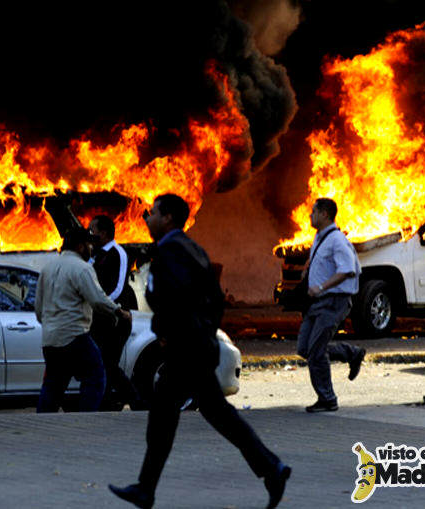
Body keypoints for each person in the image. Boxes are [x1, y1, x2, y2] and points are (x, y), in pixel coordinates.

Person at [109, 194, 290, 509]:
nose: (147, 218)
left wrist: (167, 333)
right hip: (197, 347)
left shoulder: (170, 250)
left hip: (184, 349)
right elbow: (216, 300)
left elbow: (169, 298)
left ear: (167, 218)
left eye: (151, 213)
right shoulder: (194, 249)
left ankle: (146, 489)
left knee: (166, 418)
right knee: (213, 415)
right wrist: (204, 334)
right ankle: (271, 468)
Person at [35, 227, 131, 413]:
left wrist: (50, 324)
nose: (91, 249)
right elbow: (97, 299)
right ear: (80, 246)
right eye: (89, 244)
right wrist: (119, 312)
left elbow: (39, 308)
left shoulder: (47, 268)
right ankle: (85, 418)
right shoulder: (82, 268)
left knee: (54, 383)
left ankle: (43, 419)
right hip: (74, 335)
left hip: (50, 338)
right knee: (95, 375)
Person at [296, 197, 365, 413]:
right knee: (305, 348)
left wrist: (322, 287)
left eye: (313, 211)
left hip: (333, 301)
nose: (310, 215)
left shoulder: (337, 240)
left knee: (316, 352)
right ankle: (351, 353)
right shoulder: (320, 237)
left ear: (324, 214)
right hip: (318, 303)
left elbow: (348, 270)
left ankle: (327, 399)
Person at [88, 215, 140, 410]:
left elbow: (119, 287)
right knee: (102, 363)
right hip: (100, 317)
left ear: (104, 232)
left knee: (109, 363)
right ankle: (107, 403)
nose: (90, 233)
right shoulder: (96, 254)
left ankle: (135, 400)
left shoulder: (119, 253)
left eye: (92, 229)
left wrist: (106, 304)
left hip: (117, 319)